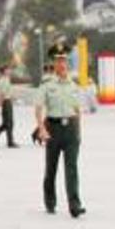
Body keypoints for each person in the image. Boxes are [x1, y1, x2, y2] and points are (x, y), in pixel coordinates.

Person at [35, 48, 86, 217]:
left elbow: (77, 110)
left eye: (63, 60)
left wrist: (78, 132)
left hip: (71, 129)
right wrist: (42, 129)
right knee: (51, 168)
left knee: (72, 168)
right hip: (53, 128)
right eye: (58, 60)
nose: (61, 64)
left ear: (67, 63)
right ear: (54, 64)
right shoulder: (47, 85)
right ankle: (50, 202)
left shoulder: (73, 85)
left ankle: (75, 205)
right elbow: (38, 108)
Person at [0, 63, 18, 148]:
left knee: (7, 123)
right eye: (8, 69)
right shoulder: (2, 80)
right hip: (5, 102)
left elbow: (8, 91)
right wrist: (1, 106)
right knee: (8, 123)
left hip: (8, 101)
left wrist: (12, 98)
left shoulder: (7, 79)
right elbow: (2, 93)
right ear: (4, 71)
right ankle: (9, 141)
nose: (9, 71)